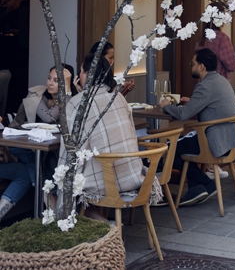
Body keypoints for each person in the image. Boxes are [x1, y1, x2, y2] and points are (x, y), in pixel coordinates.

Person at [59, 54, 161, 220]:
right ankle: (106, 225)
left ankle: (105, 227)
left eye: (82, 72)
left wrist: (62, 183)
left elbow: (70, 150)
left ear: (87, 75)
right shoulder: (118, 97)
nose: (80, 76)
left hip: (105, 184)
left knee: (60, 181)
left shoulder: (77, 103)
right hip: (133, 175)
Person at [159, 48, 235, 206]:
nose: (190, 66)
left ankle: (205, 182)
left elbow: (183, 115)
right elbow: (206, 106)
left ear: (202, 66)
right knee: (179, 148)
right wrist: (192, 102)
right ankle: (196, 187)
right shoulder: (221, 81)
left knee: (164, 149)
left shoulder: (204, 86)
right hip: (228, 141)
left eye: (192, 63)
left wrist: (166, 105)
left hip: (212, 142)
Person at [0, 65, 76, 222]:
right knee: (33, 159)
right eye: (49, 78)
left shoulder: (72, 102)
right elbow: (49, 118)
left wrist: (68, 91)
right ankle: (51, 206)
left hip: (43, 152)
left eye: (56, 80)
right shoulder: (38, 95)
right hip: (16, 146)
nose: (50, 83)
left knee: (28, 172)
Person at [196, 15, 235, 176]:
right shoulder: (221, 38)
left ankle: (210, 166)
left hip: (202, 88)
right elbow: (232, 64)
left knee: (208, 126)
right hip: (219, 89)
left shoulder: (201, 38)